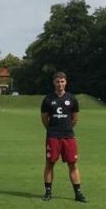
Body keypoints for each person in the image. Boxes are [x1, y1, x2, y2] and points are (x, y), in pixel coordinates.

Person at [40, 72, 86, 202]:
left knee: (73, 164)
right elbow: (44, 119)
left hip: (68, 136)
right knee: (50, 163)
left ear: (65, 82)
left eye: (62, 82)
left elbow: (75, 118)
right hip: (53, 136)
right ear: (53, 83)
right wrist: (52, 129)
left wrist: (67, 128)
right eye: (57, 82)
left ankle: (78, 193)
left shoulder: (72, 99)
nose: (60, 84)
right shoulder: (48, 99)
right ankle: (48, 192)